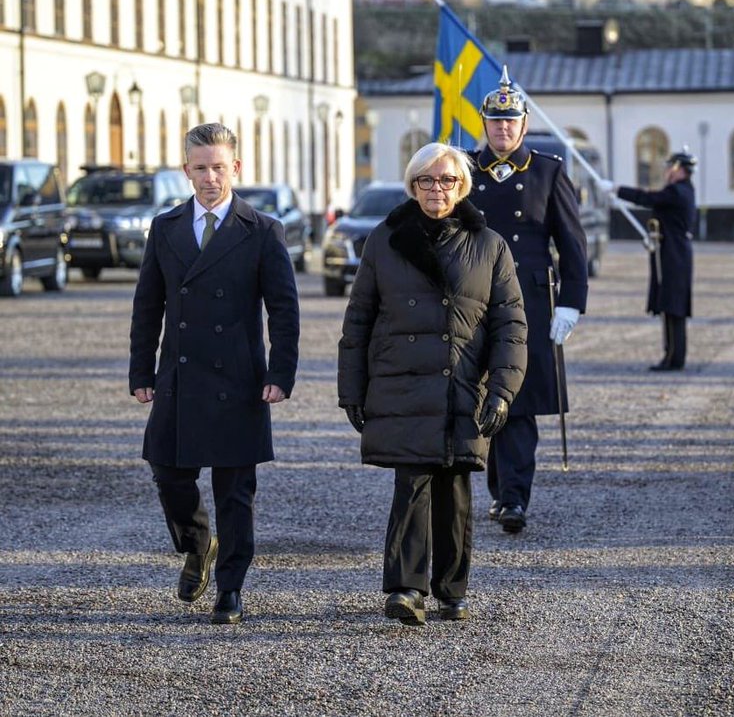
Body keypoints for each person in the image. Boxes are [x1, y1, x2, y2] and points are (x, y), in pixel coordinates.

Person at [337, 142, 527, 624]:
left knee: (455, 487)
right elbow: (359, 317)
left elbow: (510, 325)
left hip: (463, 382)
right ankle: (405, 589)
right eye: (426, 180)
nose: (436, 189)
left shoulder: (490, 245)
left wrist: (503, 389)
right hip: (402, 380)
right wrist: (351, 388)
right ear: (412, 185)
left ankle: (451, 590)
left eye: (445, 180)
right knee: (412, 481)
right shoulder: (385, 238)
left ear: (461, 186)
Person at [129, 123, 300, 625]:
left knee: (235, 489)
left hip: (239, 378)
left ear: (236, 168)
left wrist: (280, 372)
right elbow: (147, 306)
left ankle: (231, 586)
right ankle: (197, 542)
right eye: (200, 168)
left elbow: (284, 310)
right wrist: (142, 369)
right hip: (179, 376)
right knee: (168, 474)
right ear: (186, 171)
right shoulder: (165, 228)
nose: (210, 177)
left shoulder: (263, 229)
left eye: (219, 167)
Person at [467, 68, 589, 534]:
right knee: (485, 395)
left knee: (518, 399)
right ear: (485, 123)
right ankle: (502, 490)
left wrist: (571, 303)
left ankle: (514, 498)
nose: (503, 129)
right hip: (475, 300)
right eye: (495, 122)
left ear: (523, 123)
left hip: (530, 302)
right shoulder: (464, 172)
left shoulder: (547, 171)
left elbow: (572, 245)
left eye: (510, 121)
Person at [609, 148, 698, 371]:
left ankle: (674, 358)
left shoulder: (678, 191)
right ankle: (672, 355)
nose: (667, 171)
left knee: (673, 308)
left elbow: (648, 198)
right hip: (672, 253)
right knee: (670, 307)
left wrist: (618, 190)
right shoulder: (681, 190)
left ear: (679, 169)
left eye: (670, 167)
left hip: (674, 255)